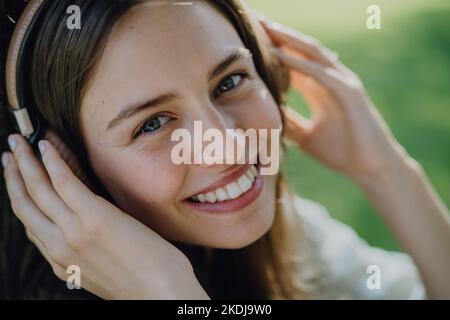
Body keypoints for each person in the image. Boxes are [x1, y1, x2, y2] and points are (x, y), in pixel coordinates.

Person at [0, 0, 449, 299]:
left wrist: (385, 171)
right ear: (66, 170)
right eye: (153, 123)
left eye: (230, 81)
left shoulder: (298, 240)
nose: (228, 147)